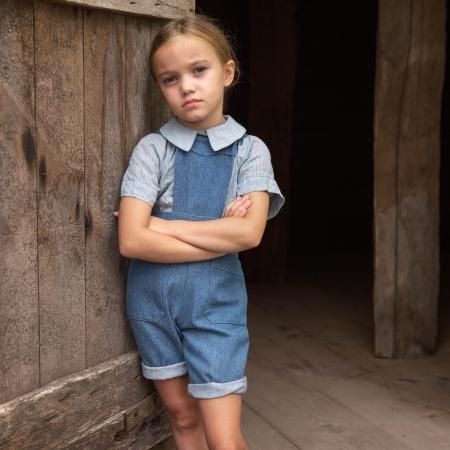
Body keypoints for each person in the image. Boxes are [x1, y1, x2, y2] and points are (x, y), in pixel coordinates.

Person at [116, 14, 285, 450]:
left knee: (225, 438)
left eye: (198, 70)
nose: (187, 86)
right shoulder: (152, 149)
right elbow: (132, 241)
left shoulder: (251, 151)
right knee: (183, 418)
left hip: (217, 307)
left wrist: (160, 224)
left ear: (227, 72)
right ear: (160, 87)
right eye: (170, 79)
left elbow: (249, 236)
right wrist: (217, 232)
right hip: (152, 304)